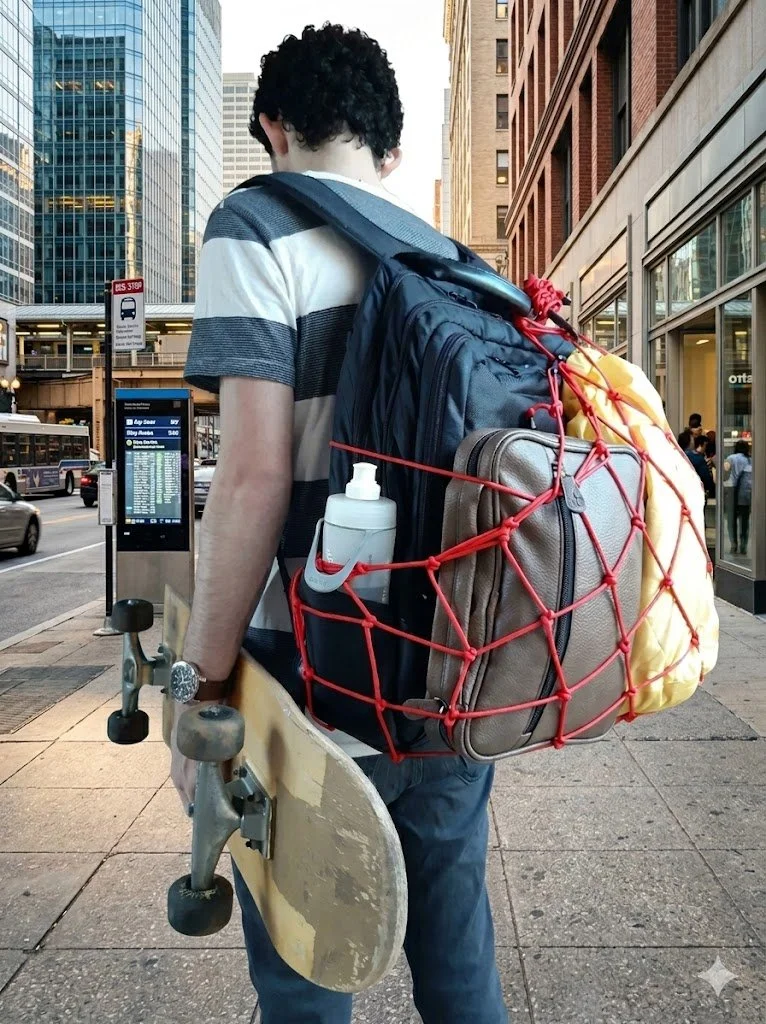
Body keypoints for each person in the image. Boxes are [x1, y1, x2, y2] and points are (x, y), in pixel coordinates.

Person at [173, 23, 508, 1024]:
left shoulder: (255, 225)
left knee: (308, 985)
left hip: (314, 695)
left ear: (272, 126)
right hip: (450, 684)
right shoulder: (450, 264)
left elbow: (253, 475)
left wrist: (202, 685)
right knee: (457, 969)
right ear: (389, 150)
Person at [724, 440, 752, 556]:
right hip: (745, 493)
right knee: (744, 521)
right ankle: (743, 545)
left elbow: (725, 471)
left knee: (731, 520)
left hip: (732, 491)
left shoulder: (731, 458)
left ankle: (733, 544)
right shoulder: (749, 460)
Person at [686, 434, 715, 500]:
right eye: (706, 446)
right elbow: (705, 477)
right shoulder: (700, 459)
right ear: (702, 445)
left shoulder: (686, 455)